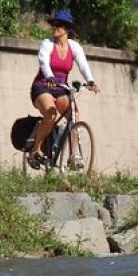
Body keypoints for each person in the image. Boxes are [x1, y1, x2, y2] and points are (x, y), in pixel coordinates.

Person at [27, 9, 100, 168]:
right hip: (43, 86)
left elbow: (83, 65)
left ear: (67, 29)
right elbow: (44, 62)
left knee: (73, 114)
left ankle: (74, 155)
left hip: (61, 88)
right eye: (54, 24)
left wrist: (91, 81)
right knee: (51, 114)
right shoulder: (47, 44)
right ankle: (36, 149)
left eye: (59, 25)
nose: (55, 27)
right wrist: (50, 77)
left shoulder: (74, 47)